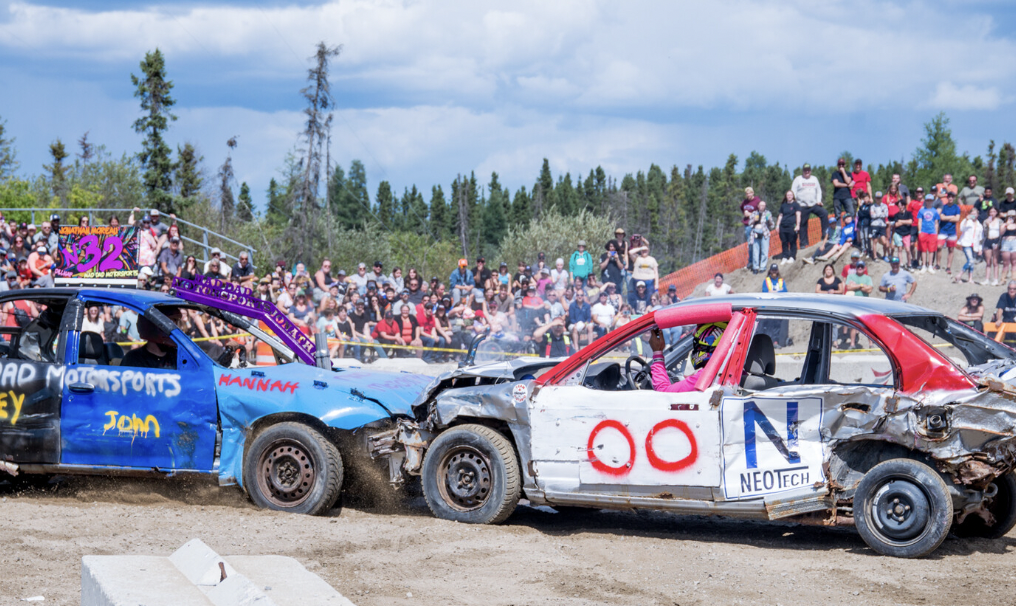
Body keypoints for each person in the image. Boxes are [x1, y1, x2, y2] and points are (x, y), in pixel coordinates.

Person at [647, 322, 726, 393]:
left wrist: (657, 353)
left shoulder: (707, 375)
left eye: (696, 346)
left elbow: (663, 392)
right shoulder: (724, 370)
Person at [793, 164, 828, 249]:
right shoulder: (798, 179)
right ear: (803, 171)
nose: (807, 172)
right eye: (805, 170)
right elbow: (793, 191)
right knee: (803, 223)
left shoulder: (814, 179)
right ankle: (804, 243)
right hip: (802, 205)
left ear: (810, 171)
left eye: (808, 170)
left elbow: (819, 191)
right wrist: (795, 203)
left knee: (824, 213)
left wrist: (818, 200)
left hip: (813, 204)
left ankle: (825, 235)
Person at [956, 210, 984, 284]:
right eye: (972, 213)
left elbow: (980, 238)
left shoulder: (979, 225)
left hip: (975, 245)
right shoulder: (966, 221)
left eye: (975, 213)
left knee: (972, 262)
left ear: (978, 215)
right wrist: (966, 219)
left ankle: (970, 278)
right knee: (970, 260)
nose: (974, 215)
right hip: (966, 243)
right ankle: (959, 275)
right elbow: (962, 229)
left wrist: (980, 248)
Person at [938, 192, 962, 274]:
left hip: (952, 231)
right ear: (947, 198)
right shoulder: (944, 207)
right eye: (949, 197)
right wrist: (952, 216)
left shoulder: (957, 207)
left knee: (951, 249)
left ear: (954, 198)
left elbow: (957, 219)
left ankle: (948, 267)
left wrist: (946, 218)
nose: (950, 198)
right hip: (943, 230)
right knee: (939, 247)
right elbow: (941, 218)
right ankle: (938, 264)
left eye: (952, 197)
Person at [916, 194, 941, 273]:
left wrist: (936, 233)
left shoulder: (935, 211)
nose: (929, 202)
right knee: (923, 250)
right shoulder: (922, 210)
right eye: (928, 200)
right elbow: (919, 221)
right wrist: (919, 232)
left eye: (930, 200)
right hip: (923, 231)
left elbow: (936, 223)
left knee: (931, 250)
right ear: (925, 201)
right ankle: (923, 265)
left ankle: (930, 265)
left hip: (932, 232)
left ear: (933, 201)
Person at [748, 200, 774, 273]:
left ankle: (763, 267)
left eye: (764, 205)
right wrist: (753, 220)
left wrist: (769, 220)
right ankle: (755, 267)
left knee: (764, 251)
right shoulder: (754, 213)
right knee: (755, 251)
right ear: (758, 206)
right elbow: (750, 224)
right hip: (755, 233)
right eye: (761, 205)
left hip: (764, 233)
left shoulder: (767, 213)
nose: (762, 207)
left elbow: (772, 225)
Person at [776, 190, 801, 264]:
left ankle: (792, 256)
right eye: (788, 195)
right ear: (786, 196)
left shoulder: (796, 205)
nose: (789, 196)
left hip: (791, 225)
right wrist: (777, 225)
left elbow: (798, 215)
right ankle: (785, 256)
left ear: (793, 196)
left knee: (792, 241)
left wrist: (798, 225)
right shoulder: (783, 205)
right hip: (783, 226)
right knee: (784, 242)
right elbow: (780, 216)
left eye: (790, 195)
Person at [890, 198, 913, 267]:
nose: (900, 207)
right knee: (899, 248)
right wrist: (905, 222)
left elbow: (910, 222)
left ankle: (909, 264)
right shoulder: (896, 215)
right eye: (899, 206)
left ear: (904, 205)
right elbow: (896, 224)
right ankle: (901, 264)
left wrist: (901, 221)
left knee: (908, 250)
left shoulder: (909, 213)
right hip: (898, 233)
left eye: (902, 205)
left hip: (907, 233)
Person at [983, 207, 1003, 286]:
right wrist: (987, 225)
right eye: (991, 212)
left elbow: (1001, 233)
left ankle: (995, 279)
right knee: (988, 262)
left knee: (995, 261)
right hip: (988, 240)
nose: (992, 213)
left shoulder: (1000, 221)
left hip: (996, 240)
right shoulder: (986, 221)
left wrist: (999, 243)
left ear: (996, 212)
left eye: (994, 211)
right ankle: (987, 279)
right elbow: (984, 233)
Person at [869, 192, 890, 260]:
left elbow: (886, 214)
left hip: (882, 225)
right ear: (875, 198)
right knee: (874, 241)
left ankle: (884, 255)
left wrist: (877, 214)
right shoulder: (872, 206)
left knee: (884, 241)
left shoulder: (884, 206)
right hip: (874, 225)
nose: (878, 199)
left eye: (879, 198)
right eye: (877, 198)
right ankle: (875, 256)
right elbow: (872, 216)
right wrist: (881, 214)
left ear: (881, 198)